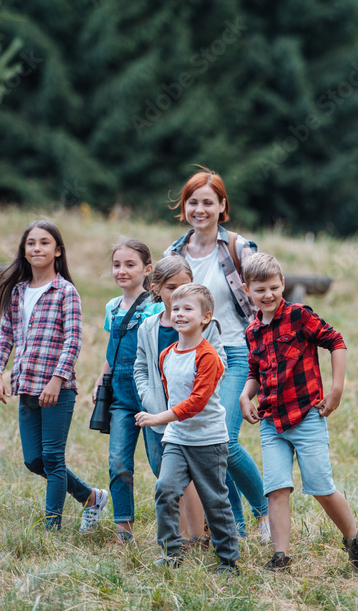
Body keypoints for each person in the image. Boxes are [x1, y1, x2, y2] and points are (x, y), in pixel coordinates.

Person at [238, 253, 358, 577]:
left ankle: (356, 540)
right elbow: (255, 371)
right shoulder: (252, 331)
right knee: (276, 488)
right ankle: (280, 557)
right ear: (247, 291)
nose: (268, 295)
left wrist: (337, 389)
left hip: (307, 415)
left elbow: (336, 341)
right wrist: (245, 395)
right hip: (272, 422)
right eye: (260, 290)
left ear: (282, 284)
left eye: (273, 287)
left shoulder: (299, 316)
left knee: (320, 487)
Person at [164, 166, 269, 540]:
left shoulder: (240, 248)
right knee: (208, 443)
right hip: (191, 358)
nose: (200, 209)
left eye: (208, 202)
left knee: (223, 439)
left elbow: (266, 294)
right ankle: (234, 526)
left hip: (236, 353)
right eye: (193, 202)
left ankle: (264, 511)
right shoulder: (174, 254)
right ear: (184, 206)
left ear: (222, 206)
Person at [0, 220, 108, 531]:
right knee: (33, 460)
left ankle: (51, 528)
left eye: (44, 242)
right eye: (31, 243)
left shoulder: (65, 291)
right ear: (24, 251)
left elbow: (73, 340)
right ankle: (91, 497)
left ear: (57, 251)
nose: (37, 248)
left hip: (58, 387)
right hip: (26, 386)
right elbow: (6, 335)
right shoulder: (17, 292)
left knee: (53, 458)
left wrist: (57, 379)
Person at [135, 283, 240, 574]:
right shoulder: (167, 354)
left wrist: (159, 418)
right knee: (165, 488)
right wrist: (168, 421)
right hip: (177, 439)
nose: (179, 314)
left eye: (188, 309)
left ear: (205, 317)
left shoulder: (208, 356)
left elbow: (196, 401)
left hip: (208, 440)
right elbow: (173, 393)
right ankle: (171, 551)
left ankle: (228, 560)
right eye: (176, 308)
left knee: (215, 500)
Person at [133, 255, 219, 548]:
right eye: (171, 288)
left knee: (195, 479)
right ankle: (178, 539)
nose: (177, 294)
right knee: (166, 477)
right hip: (159, 415)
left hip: (197, 419)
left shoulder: (208, 325)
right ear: (157, 289)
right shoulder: (148, 327)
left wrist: (199, 393)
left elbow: (220, 364)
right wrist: (149, 398)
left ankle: (198, 536)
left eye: (185, 286)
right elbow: (141, 367)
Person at [93, 239, 165, 543]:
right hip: (120, 396)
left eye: (130, 264)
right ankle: (124, 533)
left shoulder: (157, 305)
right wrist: (101, 380)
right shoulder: (112, 307)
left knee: (161, 463)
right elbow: (113, 348)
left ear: (147, 269)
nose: (122, 271)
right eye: (117, 265)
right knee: (119, 463)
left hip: (151, 394)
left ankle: (176, 530)